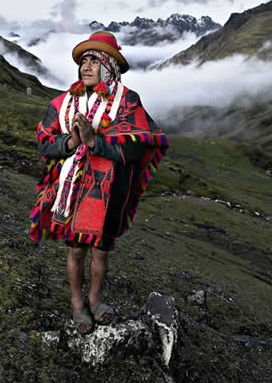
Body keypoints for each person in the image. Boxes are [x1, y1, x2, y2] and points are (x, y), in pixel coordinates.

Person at [29, 30, 168, 335]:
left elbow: (136, 145)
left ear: (109, 66)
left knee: (102, 250)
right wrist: (70, 143)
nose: (86, 66)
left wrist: (95, 143)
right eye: (83, 61)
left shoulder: (128, 101)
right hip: (73, 188)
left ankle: (95, 300)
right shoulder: (62, 103)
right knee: (77, 250)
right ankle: (78, 305)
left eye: (94, 60)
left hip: (110, 190)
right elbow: (44, 143)